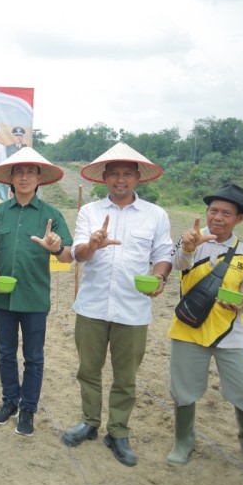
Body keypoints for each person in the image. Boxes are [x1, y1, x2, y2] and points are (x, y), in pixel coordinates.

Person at [60, 143, 173, 467]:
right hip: (92, 306)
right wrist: (92, 245)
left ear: (137, 178)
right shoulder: (90, 212)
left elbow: (163, 255)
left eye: (127, 174)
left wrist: (159, 277)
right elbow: (78, 256)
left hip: (133, 308)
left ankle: (119, 432)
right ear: (105, 178)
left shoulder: (156, 215)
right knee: (88, 370)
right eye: (114, 174)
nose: (120, 180)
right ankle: (89, 422)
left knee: (126, 377)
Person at [166, 184, 243, 470]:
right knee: (183, 390)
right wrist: (187, 247)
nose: (217, 217)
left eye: (226, 213)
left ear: (239, 219)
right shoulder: (191, 242)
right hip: (189, 330)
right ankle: (184, 440)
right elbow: (177, 263)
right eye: (213, 210)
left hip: (230, 333)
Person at [0, 148, 73, 436]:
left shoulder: (51, 215)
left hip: (34, 298)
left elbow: (68, 255)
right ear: (10, 178)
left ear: (39, 179)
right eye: (19, 172)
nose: (24, 177)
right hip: (2, 296)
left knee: (33, 356)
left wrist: (56, 247)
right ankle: (10, 400)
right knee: (6, 353)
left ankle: (28, 408)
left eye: (30, 172)